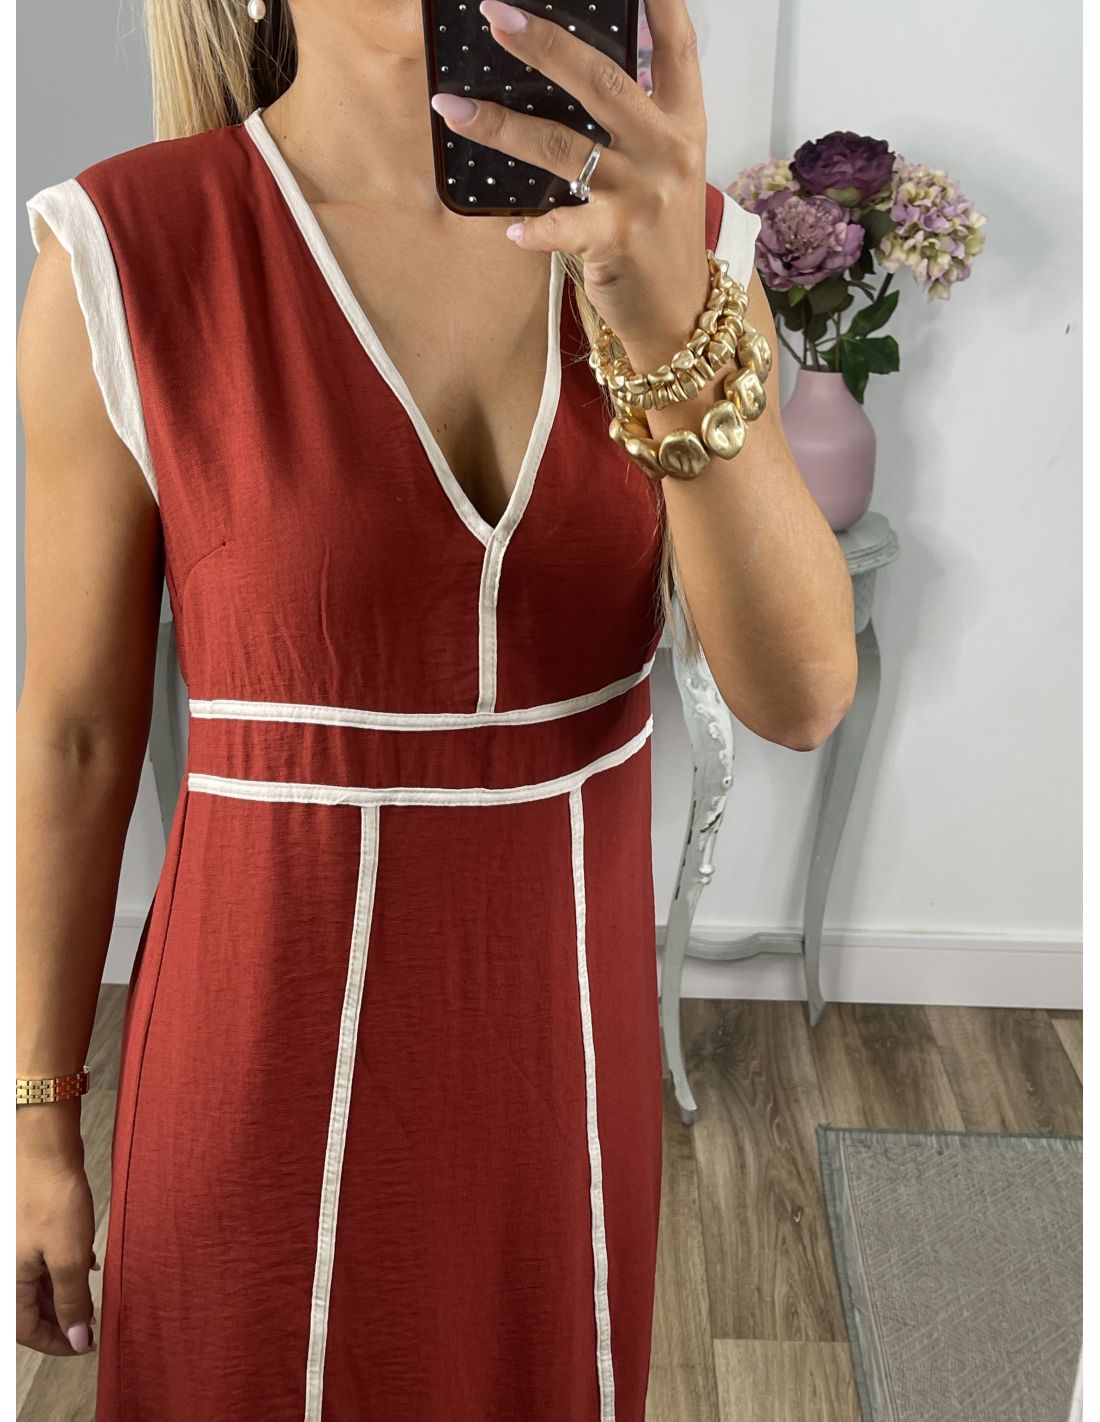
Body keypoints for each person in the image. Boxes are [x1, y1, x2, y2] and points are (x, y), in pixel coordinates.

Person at [15, 0, 857, 1417]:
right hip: (248, 1073)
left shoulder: (676, 242)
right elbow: (76, 733)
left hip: (559, 1084)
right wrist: (36, 1120)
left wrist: (669, 320)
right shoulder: (123, 253)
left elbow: (804, 694)